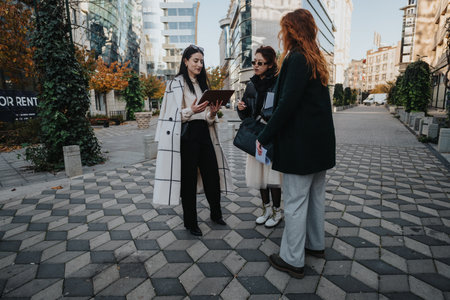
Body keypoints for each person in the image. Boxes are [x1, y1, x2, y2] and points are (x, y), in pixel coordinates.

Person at [256, 9, 336, 278]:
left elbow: (287, 104)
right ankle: (315, 245)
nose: (282, 34)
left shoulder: (297, 59)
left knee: (295, 201)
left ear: (291, 31)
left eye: (284, 29)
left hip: (300, 148)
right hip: (319, 147)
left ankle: (292, 259)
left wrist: (264, 136)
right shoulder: (316, 60)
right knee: (314, 199)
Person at [154, 45, 233, 236]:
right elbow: (171, 116)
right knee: (188, 182)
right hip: (186, 137)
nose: (199, 64)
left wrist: (212, 113)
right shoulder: (176, 84)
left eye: (201, 61)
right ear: (186, 61)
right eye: (195, 60)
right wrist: (191, 111)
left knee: (212, 176)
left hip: (204, 134)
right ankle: (191, 223)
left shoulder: (202, 84)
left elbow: (207, 118)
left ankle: (216, 214)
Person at [237, 46, 283, 228]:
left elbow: (281, 110)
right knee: (260, 176)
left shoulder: (278, 84)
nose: (255, 66)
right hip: (256, 134)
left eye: (260, 63)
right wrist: (242, 109)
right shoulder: (251, 85)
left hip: (271, 134)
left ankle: (277, 211)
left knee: (273, 177)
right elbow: (247, 113)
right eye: (253, 62)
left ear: (270, 64)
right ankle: (265, 209)